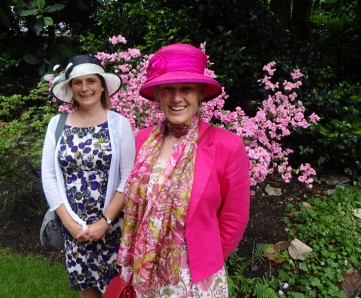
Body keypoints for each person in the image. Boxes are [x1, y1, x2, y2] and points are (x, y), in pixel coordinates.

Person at [116, 44, 251, 297]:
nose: (177, 98)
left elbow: (235, 219)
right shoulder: (143, 140)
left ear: (200, 94)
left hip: (193, 279)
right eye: (168, 89)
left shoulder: (227, 146)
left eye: (186, 89)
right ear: (158, 95)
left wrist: (203, 260)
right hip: (142, 270)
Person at [41, 54, 135, 298]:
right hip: (75, 229)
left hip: (113, 228)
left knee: (116, 291)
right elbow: (49, 177)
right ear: (70, 88)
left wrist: (104, 222)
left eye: (91, 81)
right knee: (86, 289)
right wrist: (71, 225)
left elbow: (129, 177)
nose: (85, 88)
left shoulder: (119, 125)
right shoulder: (57, 124)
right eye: (78, 82)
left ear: (102, 85)